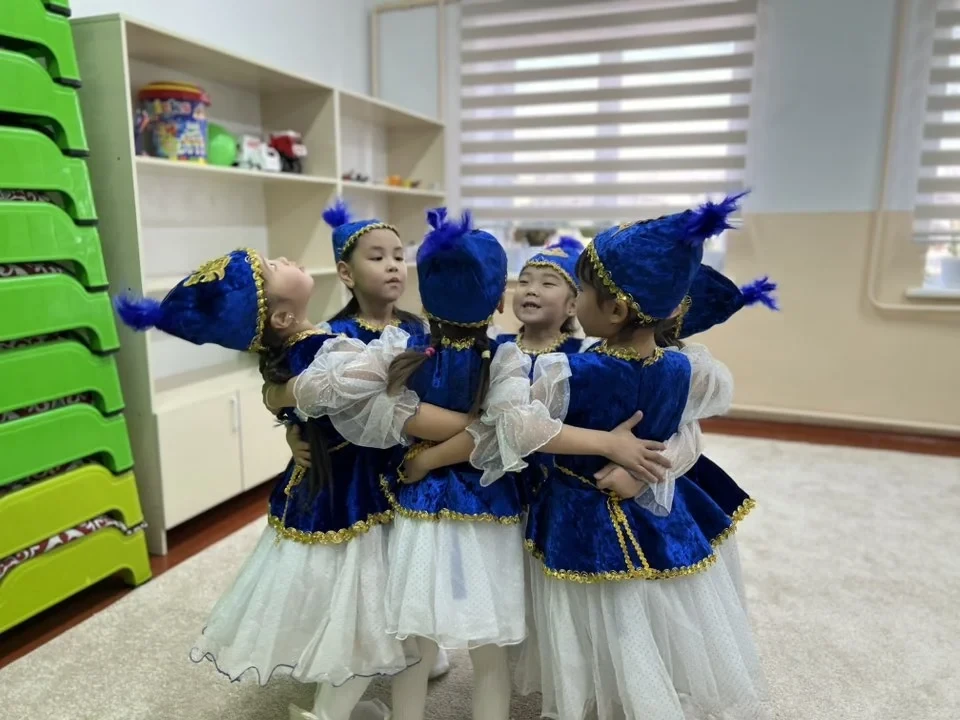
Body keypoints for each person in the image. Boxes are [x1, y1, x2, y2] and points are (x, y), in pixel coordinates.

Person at [270, 209, 685, 720]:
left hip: (418, 509)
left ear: (424, 300)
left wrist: (279, 395)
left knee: (415, 641)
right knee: (491, 649)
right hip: (492, 508)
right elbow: (503, 430)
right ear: (499, 302)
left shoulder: (401, 347)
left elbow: (331, 391)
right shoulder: (506, 358)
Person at [411, 195, 770, 720]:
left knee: (601, 615)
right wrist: (619, 451)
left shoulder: (572, 370)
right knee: (627, 611)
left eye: (579, 292)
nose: (573, 301)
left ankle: (615, 696)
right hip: (623, 510)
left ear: (614, 309)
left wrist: (633, 464)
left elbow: (517, 426)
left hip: (580, 512)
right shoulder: (680, 367)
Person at [114, 249, 463, 720]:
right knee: (362, 611)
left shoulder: (296, 351)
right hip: (353, 495)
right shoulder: (326, 356)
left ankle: (414, 658)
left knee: (355, 601)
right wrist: (471, 427)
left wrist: (279, 396)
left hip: (315, 488)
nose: (282, 257)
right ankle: (331, 712)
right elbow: (395, 413)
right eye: (273, 267)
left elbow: (297, 398)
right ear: (281, 316)